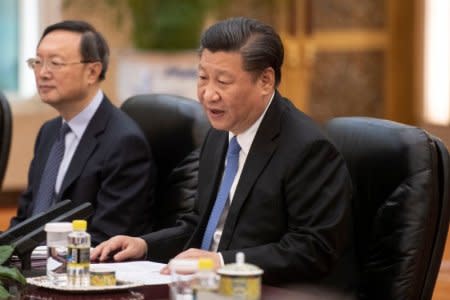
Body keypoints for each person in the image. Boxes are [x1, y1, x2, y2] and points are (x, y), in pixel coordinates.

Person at [92, 17, 354, 288]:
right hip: (204, 287)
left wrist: (219, 263)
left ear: (265, 80)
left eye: (223, 82)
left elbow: (312, 249)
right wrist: (144, 244)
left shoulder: (307, 149)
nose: (208, 95)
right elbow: (200, 224)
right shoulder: (219, 133)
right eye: (203, 78)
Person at [10, 20, 156, 246]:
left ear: (92, 71)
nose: (42, 73)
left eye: (55, 63)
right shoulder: (49, 132)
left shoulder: (124, 142)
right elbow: (26, 220)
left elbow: (107, 238)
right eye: (37, 62)